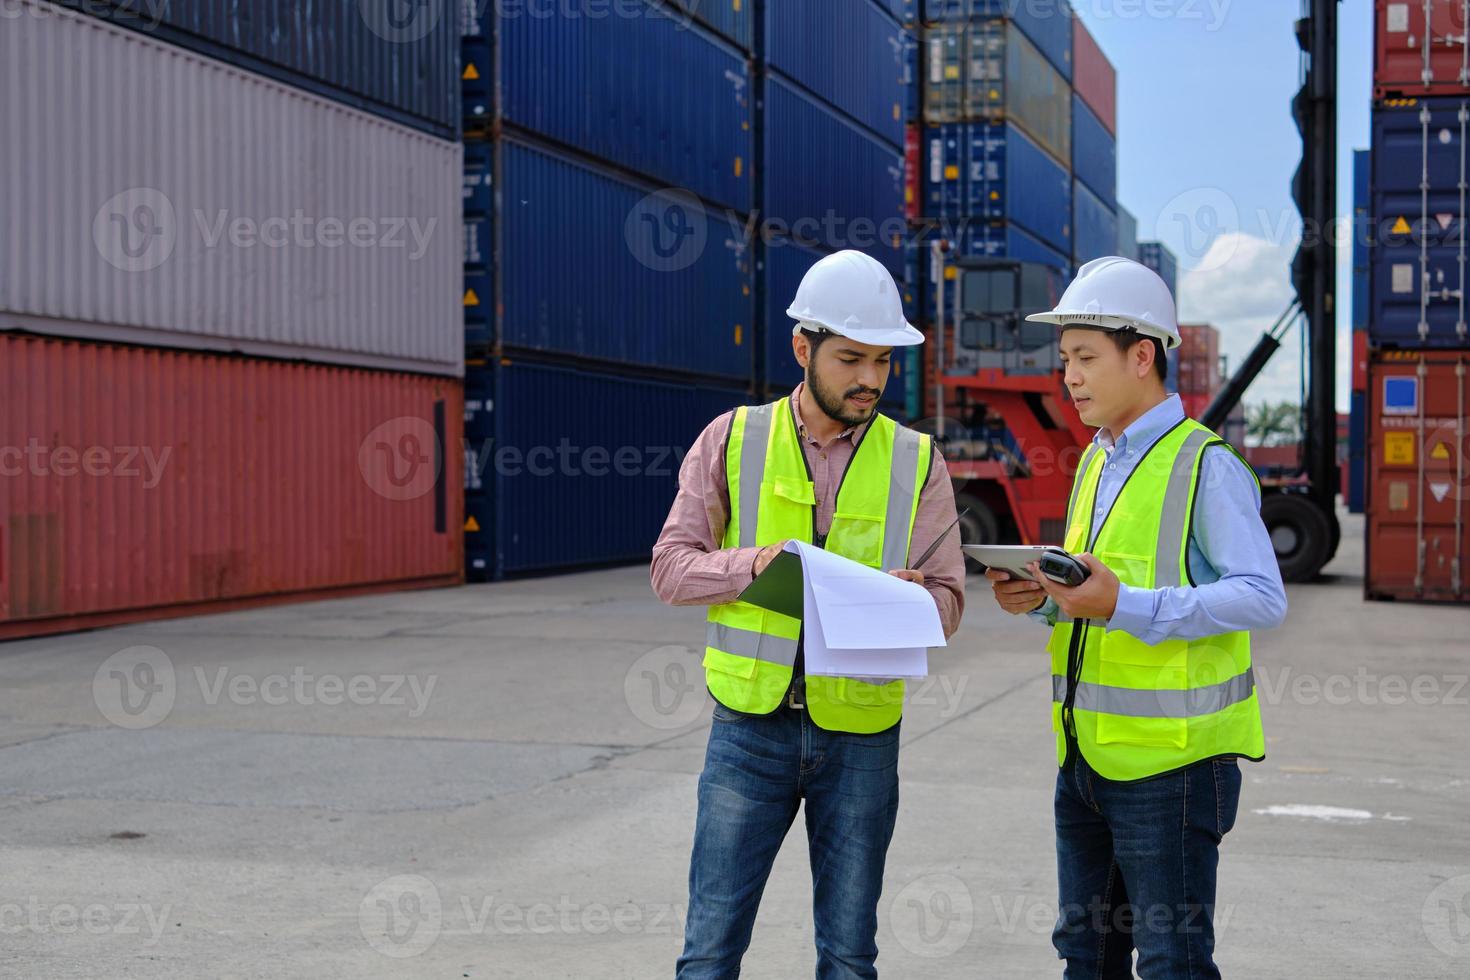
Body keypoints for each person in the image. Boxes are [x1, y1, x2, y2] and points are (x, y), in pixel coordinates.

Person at [651, 249, 965, 979]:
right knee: (708, 954)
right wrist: (750, 565)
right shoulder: (731, 439)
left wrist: (911, 599)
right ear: (804, 347)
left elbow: (948, 604)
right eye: (853, 358)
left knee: (851, 959)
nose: (871, 380)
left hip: (860, 735)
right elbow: (670, 568)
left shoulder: (919, 462)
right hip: (747, 729)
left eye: (883, 362)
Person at [986, 256, 1287, 979]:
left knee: (1172, 963)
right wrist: (1041, 604)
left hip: (1173, 768)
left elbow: (1263, 595)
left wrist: (1127, 605)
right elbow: (1093, 590)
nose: (1071, 377)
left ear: (1142, 355)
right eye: (1065, 360)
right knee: (1085, 956)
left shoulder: (1203, 465)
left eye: (1086, 358)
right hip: (1085, 758)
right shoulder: (1096, 459)